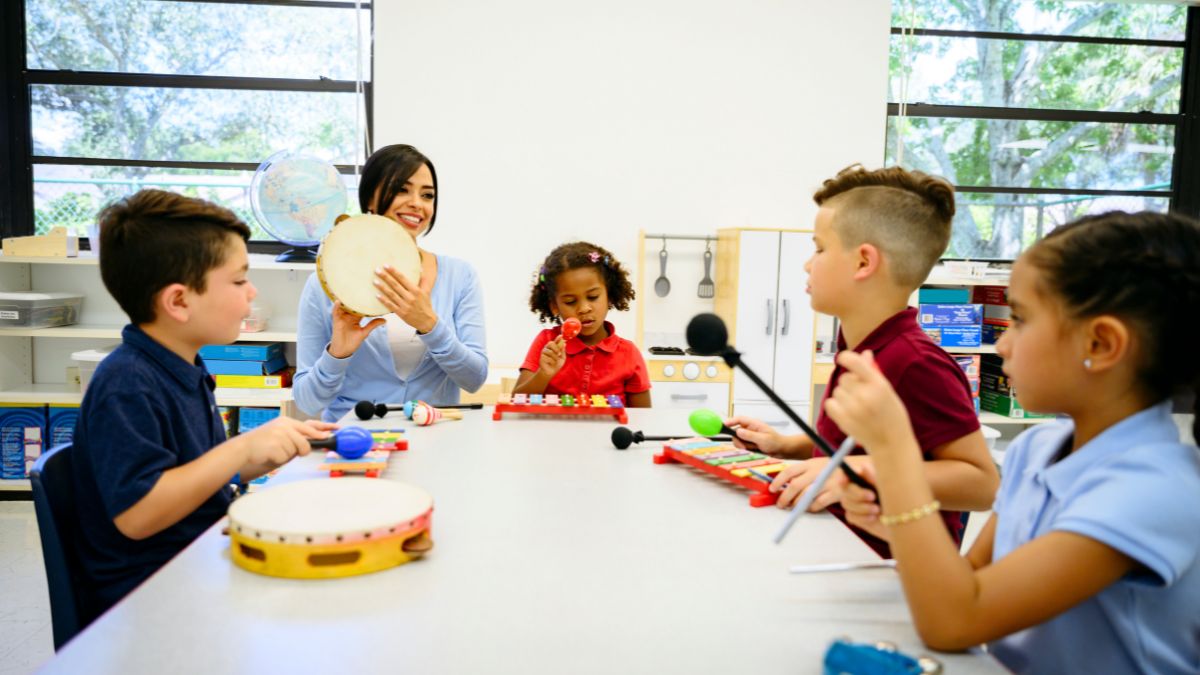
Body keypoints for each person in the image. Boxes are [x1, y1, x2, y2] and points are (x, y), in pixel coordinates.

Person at [832, 211, 1200, 673]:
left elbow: (957, 620)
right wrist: (896, 523)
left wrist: (895, 455)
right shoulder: (1037, 448)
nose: (1003, 344)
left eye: (1021, 319)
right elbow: (967, 583)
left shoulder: (1153, 490)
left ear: (1102, 344)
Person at [71, 189, 335, 620]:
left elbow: (197, 475)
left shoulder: (184, 367)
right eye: (237, 280)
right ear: (178, 301)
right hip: (154, 600)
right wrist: (240, 449)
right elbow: (138, 515)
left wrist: (271, 449)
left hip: (198, 562)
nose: (251, 293)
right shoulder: (127, 383)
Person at [727, 165, 997, 555]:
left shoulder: (915, 363)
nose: (807, 263)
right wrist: (786, 445)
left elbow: (980, 483)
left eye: (819, 248)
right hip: (836, 548)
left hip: (892, 574)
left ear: (863, 263)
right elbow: (851, 448)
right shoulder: (861, 347)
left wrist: (852, 472)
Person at [294, 144, 487, 421]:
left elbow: (474, 379)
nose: (417, 203)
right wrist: (338, 354)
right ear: (370, 199)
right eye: (401, 190)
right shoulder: (325, 284)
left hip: (434, 440)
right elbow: (307, 402)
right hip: (356, 444)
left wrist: (429, 325)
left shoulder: (460, 276)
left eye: (427, 195)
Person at [514, 241, 651, 407]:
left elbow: (644, 418)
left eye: (593, 297)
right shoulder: (547, 343)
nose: (584, 309)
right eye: (570, 301)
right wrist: (544, 374)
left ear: (610, 295)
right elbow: (516, 402)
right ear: (554, 306)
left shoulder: (629, 354)